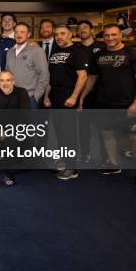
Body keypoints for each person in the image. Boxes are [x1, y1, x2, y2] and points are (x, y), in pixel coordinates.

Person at [80, 24, 136, 190]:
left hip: (127, 104)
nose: (110, 38)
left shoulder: (133, 54)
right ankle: (113, 163)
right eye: (107, 36)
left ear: (121, 35)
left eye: (113, 35)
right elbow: (91, 79)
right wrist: (81, 97)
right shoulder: (99, 55)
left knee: (134, 138)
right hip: (104, 103)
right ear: (103, 37)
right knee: (107, 134)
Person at [43, 24, 89, 180]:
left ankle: (72, 167)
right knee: (59, 131)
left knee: (69, 132)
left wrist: (74, 97)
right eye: (56, 34)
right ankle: (64, 158)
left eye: (62, 33)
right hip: (55, 95)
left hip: (68, 95)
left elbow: (82, 76)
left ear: (70, 34)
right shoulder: (55, 52)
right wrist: (46, 96)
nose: (59, 37)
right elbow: (51, 77)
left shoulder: (78, 51)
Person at [0, 70, 31, 187]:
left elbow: (25, 117)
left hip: (20, 130)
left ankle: (9, 176)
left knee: (9, 141)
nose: (5, 83)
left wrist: (10, 132)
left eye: (8, 80)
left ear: (13, 81)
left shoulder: (22, 93)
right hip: (2, 128)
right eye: (2, 80)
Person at [75, 20, 107, 162]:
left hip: (102, 92)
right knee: (83, 125)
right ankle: (85, 153)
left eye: (85, 27)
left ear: (92, 30)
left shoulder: (103, 46)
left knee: (103, 126)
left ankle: (105, 156)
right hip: (83, 93)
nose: (82, 30)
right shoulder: (75, 48)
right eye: (79, 28)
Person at [6, 22, 49, 109]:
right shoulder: (9, 52)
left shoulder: (37, 51)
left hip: (29, 98)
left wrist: (35, 97)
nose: (19, 34)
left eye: (22, 32)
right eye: (17, 32)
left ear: (28, 34)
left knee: (29, 123)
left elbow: (44, 75)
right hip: (12, 97)